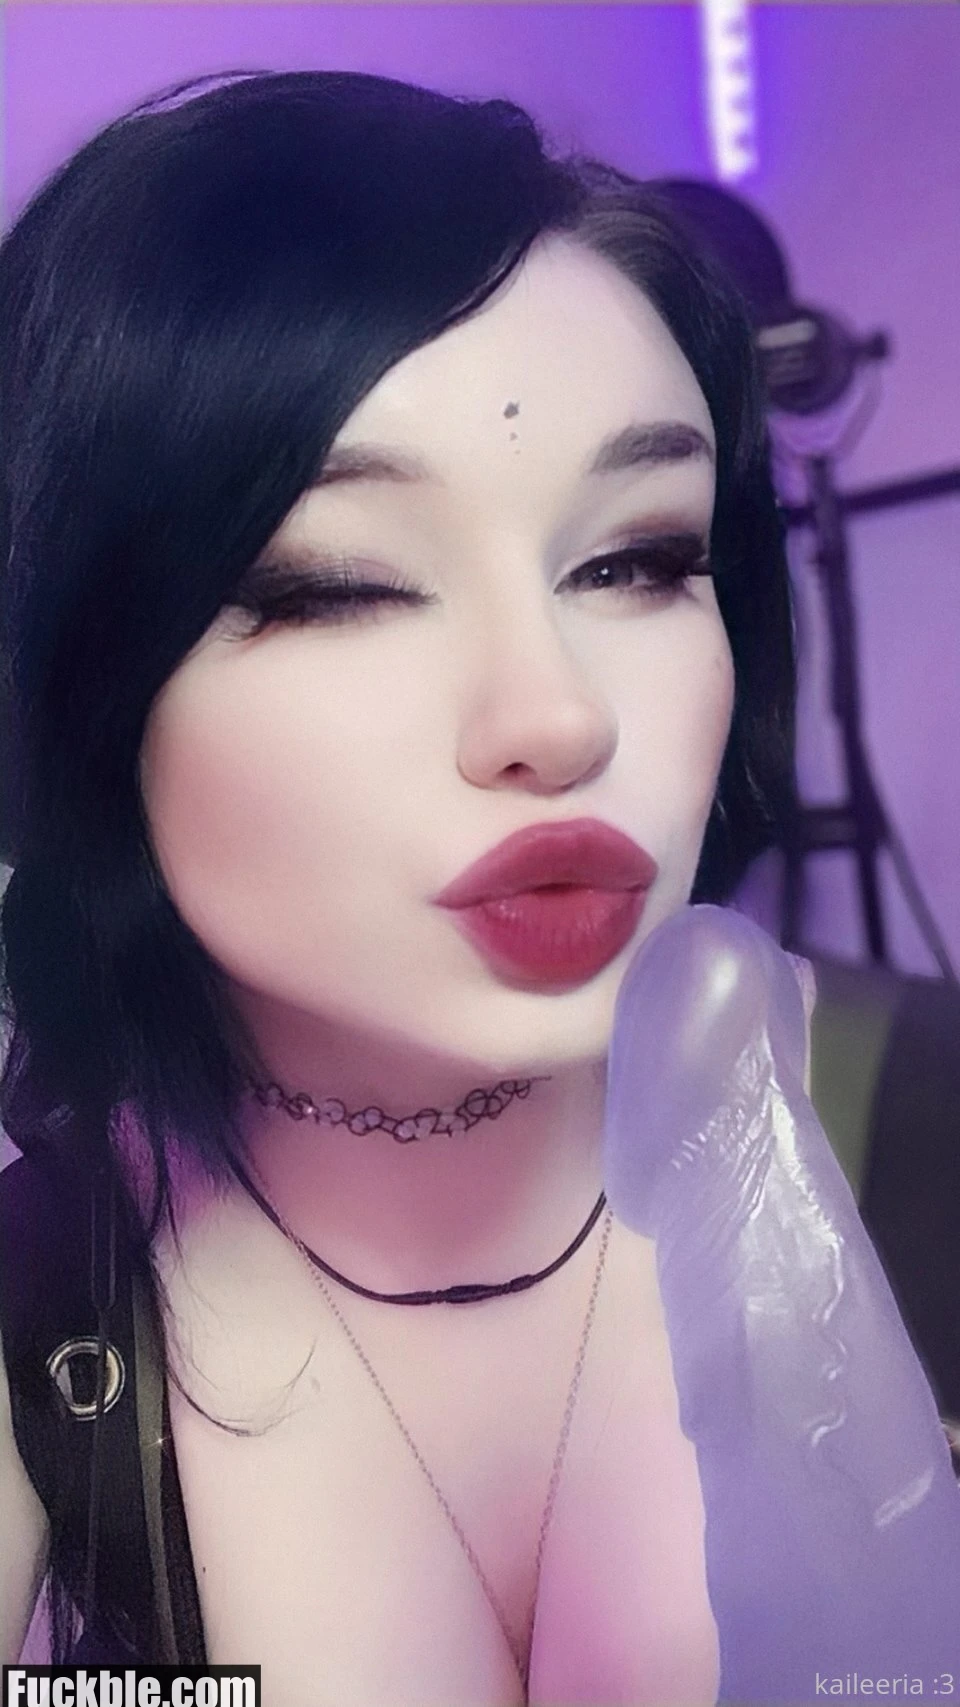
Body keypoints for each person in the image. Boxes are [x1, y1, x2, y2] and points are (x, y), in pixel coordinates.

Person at [1, 71, 957, 1706]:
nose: (561, 715)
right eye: (339, 586)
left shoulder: (922, 1131)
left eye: (638, 558)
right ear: (72, 678)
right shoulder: (47, 1299)